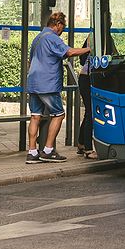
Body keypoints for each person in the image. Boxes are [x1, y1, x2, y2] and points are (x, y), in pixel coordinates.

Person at [25, 10, 89, 163]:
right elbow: (70, 52)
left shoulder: (38, 38)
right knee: (59, 114)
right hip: (47, 84)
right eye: (63, 27)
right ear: (58, 25)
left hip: (33, 83)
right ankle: (48, 150)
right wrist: (89, 49)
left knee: (35, 116)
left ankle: (32, 152)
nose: (62, 31)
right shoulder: (52, 38)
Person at [73, 35, 96, 158]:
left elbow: (82, 60)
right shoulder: (95, 37)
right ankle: (88, 149)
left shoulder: (92, 36)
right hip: (88, 77)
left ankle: (81, 143)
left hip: (87, 77)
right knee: (91, 111)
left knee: (89, 111)